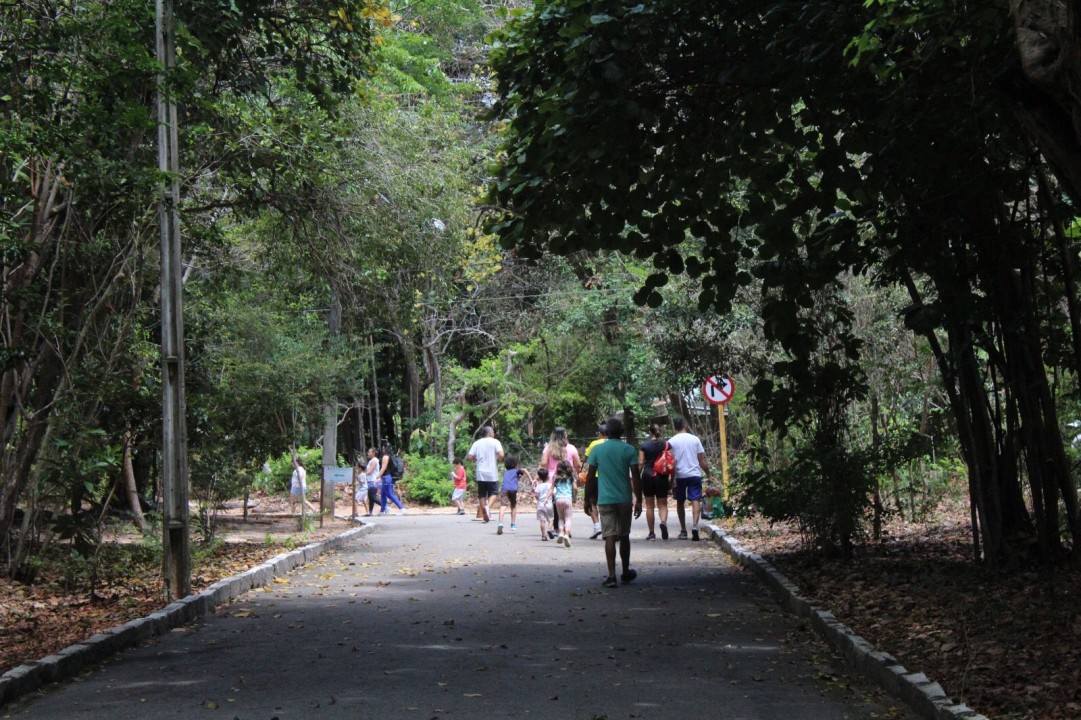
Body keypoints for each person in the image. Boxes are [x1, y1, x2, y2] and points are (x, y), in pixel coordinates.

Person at [585, 416, 643, 588]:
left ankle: (611, 576)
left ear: (606, 433)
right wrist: (638, 499)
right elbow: (636, 476)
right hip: (624, 498)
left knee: (609, 535)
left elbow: (589, 477)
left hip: (605, 499)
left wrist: (587, 499)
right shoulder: (629, 449)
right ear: (622, 433)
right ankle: (625, 572)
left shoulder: (598, 450)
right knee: (624, 535)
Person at [668, 416, 712, 541]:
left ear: (675, 427)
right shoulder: (695, 439)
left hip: (679, 475)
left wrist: (671, 480)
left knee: (680, 502)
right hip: (694, 474)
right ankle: (694, 526)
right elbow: (701, 459)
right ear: (685, 425)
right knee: (695, 499)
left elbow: (671, 463)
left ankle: (683, 531)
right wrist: (708, 474)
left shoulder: (671, 441)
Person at [538, 426, 581, 538]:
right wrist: (577, 472)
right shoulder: (571, 448)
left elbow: (543, 463)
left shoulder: (548, 448)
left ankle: (557, 528)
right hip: (567, 478)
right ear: (565, 436)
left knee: (555, 503)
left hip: (553, 478)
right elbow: (578, 465)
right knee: (567, 506)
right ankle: (565, 530)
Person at [638, 423, 670, 540]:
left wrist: (636, 476)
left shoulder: (644, 445)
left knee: (650, 506)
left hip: (648, 475)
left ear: (650, 432)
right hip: (661, 475)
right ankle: (663, 522)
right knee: (662, 504)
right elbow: (671, 461)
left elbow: (641, 463)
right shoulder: (666, 444)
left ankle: (651, 533)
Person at [466, 426, 504, 522]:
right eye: (493, 433)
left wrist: (476, 459)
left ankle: (484, 514)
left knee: (482, 494)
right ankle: (488, 507)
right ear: (490, 433)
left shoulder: (477, 443)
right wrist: (495, 457)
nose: (494, 434)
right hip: (492, 472)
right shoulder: (495, 442)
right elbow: (501, 455)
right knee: (494, 492)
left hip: (480, 472)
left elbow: (469, 457)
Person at [581, 424, 607, 539]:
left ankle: (597, 526)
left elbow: (585, 459)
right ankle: (608, 527)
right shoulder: (612, 444)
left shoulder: (594, 444)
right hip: (607, 477)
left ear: (600, 433)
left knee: (593, 501)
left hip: (595, 477)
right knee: (606, 502)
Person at [497, 456, 531, 534]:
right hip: (513, 490)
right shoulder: (516, 471)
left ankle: (500, 523)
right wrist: (530, 480)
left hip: (505, 489)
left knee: (503, 506)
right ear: (515, 464)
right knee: (513, 506)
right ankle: (513, 524)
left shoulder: (505, 473)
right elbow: (524, 470)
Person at [552, 460, 576, 547]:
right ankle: (566, 534)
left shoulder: (555, 478)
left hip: (558, 500)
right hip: (568, 499)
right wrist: (574, 497)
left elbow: (551, 489)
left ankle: (561, 533)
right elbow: (575, 488)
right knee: (568, 518)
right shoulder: (571, 478)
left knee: (561, 518)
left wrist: (547, 498)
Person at [378, 441, 406, 516]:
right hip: (386, 478)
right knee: (383, 494)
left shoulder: (385, 456)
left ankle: (402, 508)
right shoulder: (389, 456)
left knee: (390, 494)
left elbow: (383, 468)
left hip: (386, 477)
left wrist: (377, 477)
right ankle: (382, 511)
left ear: (383, 447)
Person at [533, 467, 554, 541]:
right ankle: (549, 529)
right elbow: (554, 493)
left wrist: (538, 499)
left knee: (542, 521)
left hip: (540, 506)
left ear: (539, 477)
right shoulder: (550, 485)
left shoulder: (538, 486)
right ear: (548, 476)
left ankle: (543, 535)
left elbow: (536, 495)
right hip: (548, 505)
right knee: (551, 519)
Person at [362, 448, 381, 516]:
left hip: (373, 481)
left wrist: (363, 475)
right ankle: (370, 512)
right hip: (371, 481)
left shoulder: (374, 461)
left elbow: (370, 471)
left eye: (369, 452)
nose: (368, 453)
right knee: (371, 497)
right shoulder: (372, 460)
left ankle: (385, 507)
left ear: (373, 453)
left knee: (372, 497)